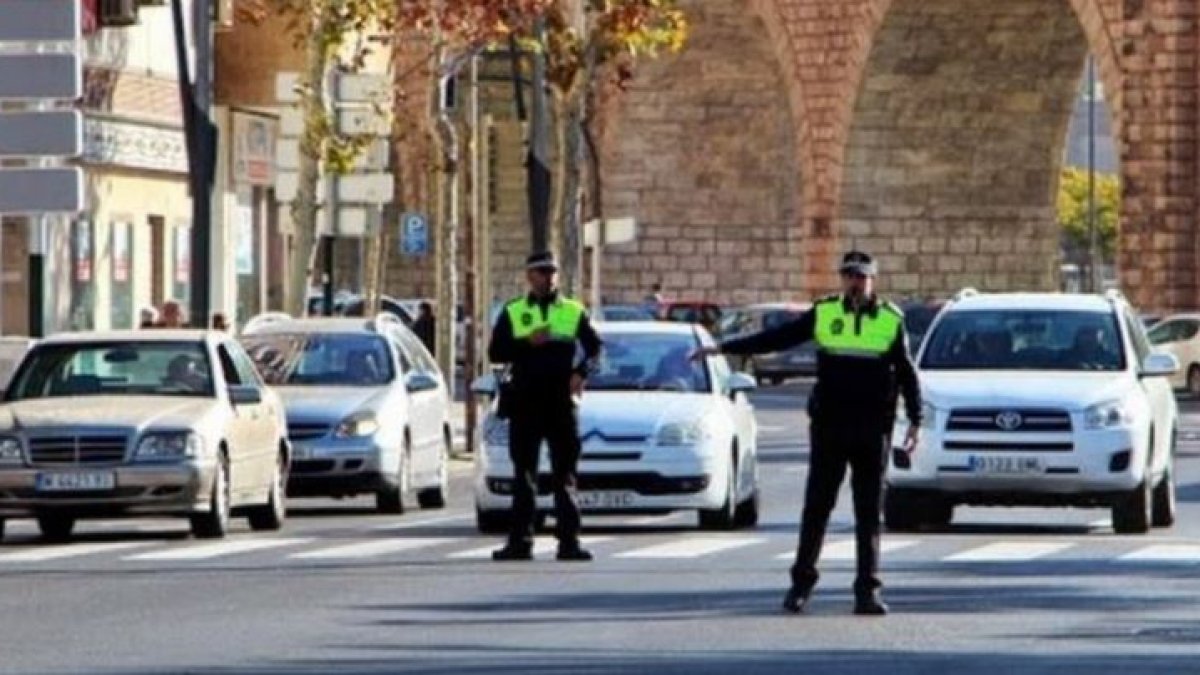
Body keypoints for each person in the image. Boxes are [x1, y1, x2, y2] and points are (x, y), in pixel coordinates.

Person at [694, 250, 921, 616]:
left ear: (873, 280)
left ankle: (868, 590)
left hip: (871, 429)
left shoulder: (890, 319)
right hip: (831, 426)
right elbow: (779, 337)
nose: (855, 282)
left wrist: (915, 420)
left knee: (868, 514)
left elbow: (907, 373)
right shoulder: (826, 312)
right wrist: (725, 347)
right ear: (842, 279)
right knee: (817, 508)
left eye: (861, 276)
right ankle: (801, 584)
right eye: (849, 275)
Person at [488, 251, 603, 562]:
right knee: (523, 475)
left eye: (552, 271)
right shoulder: (514, 312)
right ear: (529, 276)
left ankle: (569, 542)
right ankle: (520, 542)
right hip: (525, 400)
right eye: (541, 271)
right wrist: (527, 342)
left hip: (560, 402)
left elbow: (595, 349)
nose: (548, 277)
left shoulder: (572, 310)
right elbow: (496, 352)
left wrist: (581, 373)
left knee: (565, 474)